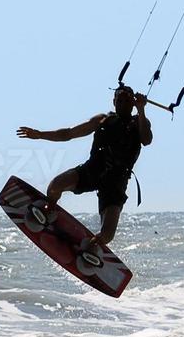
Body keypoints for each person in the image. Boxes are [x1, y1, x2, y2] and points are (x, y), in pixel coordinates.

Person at [17, 85, 153, 250]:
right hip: (92, 170)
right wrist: (40, 135)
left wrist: (141, 110)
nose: (122, 103)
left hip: (116, 182)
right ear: (114, 101)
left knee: (107, 234)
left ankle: (90, 248)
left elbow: (146, 140)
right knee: (54, 187)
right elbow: (68, 133)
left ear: (132, 104)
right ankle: (49, 211)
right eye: (119, 100)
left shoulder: (139, 122)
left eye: (126, 101)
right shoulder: (102, 120)